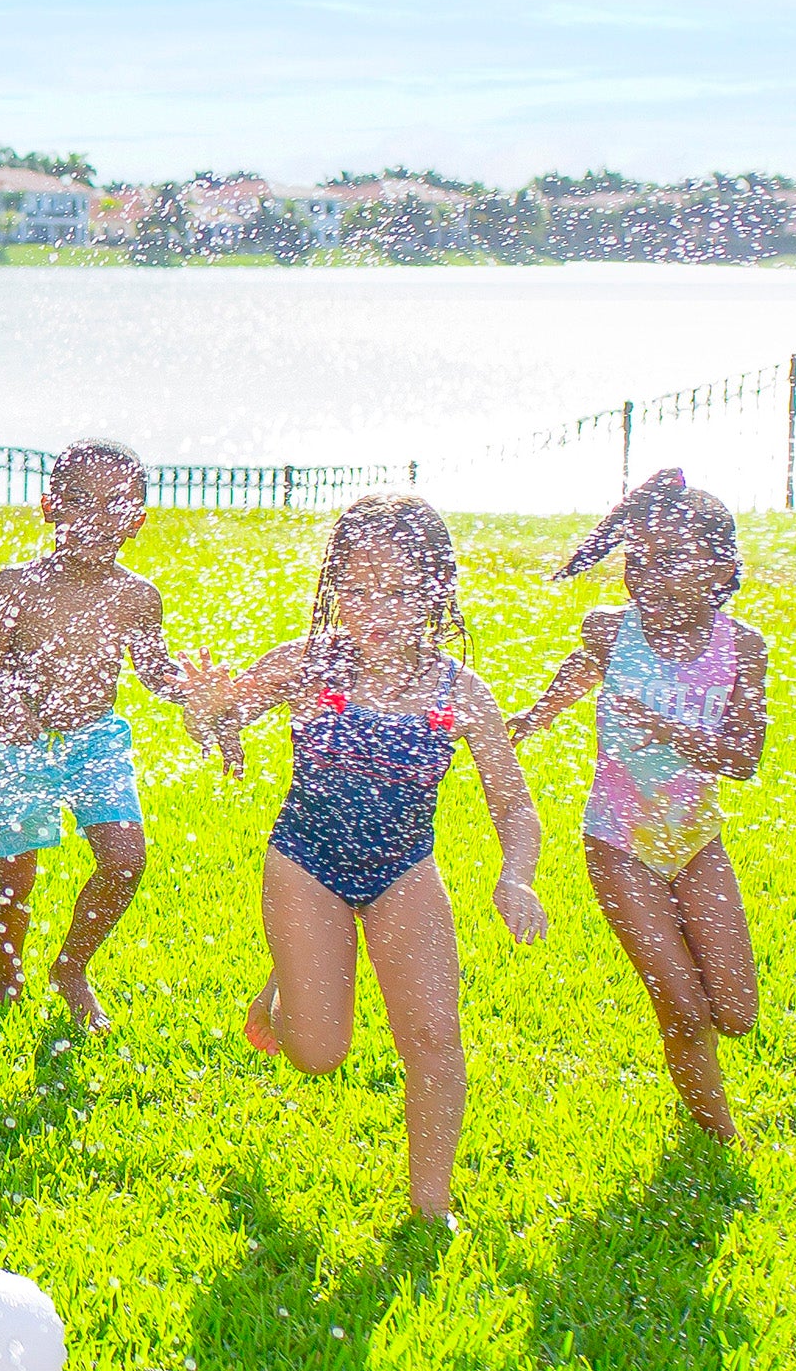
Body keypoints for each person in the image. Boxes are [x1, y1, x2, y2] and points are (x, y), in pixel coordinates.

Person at [187, 493, 544, 1225]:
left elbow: (514, 804)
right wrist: (208, 709)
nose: (375, 608)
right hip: (306, 863)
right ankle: (287, 985)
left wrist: (516, 873)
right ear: (333, 588)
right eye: (357, 588)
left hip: (405, 870)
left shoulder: (460, 692)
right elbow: (225, 722)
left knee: (435, 1038)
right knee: (318, 1054)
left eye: (400, 591)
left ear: (437, 592)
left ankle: (431, 1207)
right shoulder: (307, 664)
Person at [509, 468, 767, 1143]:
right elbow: (583, 665)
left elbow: (743, 760)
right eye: (640, 560)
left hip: (696, 839)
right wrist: (538, 714)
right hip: (618, 841)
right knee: (682, 1005)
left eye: (673, 559)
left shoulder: (741, 648)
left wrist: (665, 728)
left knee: (735, 1013)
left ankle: (698, 1047)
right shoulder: (607, 629)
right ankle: (720, 1141)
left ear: (722, 569)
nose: (649, 575)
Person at [0, 441, 233, 1030]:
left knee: (125, 860)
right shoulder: (14, 587)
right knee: (14, 869)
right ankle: (7, 975)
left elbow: (155, 672)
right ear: (49, 507)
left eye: (114, 504)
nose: (95, 518)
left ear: (137, 520)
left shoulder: (137, 597)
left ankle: (71, 967)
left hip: (94, 741)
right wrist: (8, 700)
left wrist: (192, 689)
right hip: (20, 745)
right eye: (79, 501)